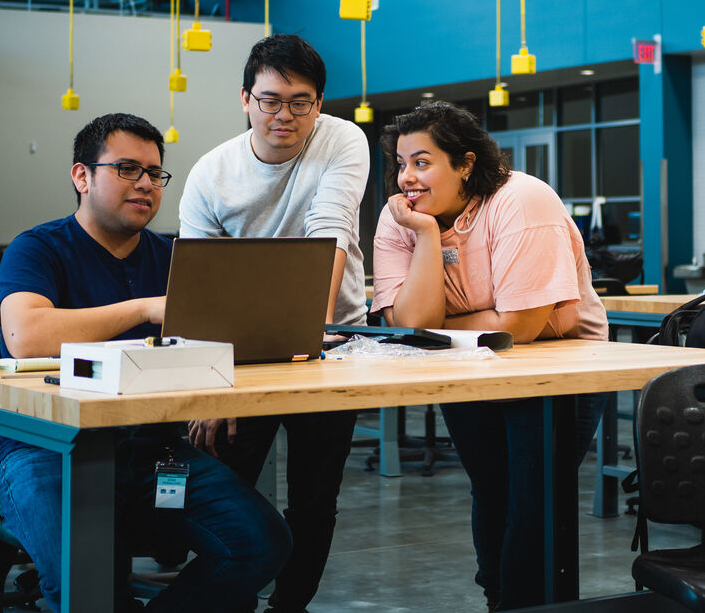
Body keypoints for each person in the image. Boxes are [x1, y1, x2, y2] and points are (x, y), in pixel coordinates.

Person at [0, 113, 291, 613]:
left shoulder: (175, 255)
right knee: (87, 582)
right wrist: (145, 308)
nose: (146, 184)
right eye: (128, 169)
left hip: (153, 450)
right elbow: (27, 337)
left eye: (155, 173)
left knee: (261, 544)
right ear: (81, 176)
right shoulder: (39, 248)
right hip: (50, 449)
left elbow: (223, 336)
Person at [372, 101, 608, 612]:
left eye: (422, 161)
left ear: (465, 163)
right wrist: (428, 235)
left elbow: (522, 326)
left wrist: (441, 329)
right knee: (491, 489)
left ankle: (530, 601)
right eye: (400, 162)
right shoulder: (404, 219)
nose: (406, 177)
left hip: (560, 366)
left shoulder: (521, 199)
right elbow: (412, 325)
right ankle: (499, 599)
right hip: (472, 364)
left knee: (533, 499)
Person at [179, 34, 369, 613]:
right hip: (237, 354)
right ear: (245, 99)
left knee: (316, 497)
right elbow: (200, 290)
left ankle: (292, 606)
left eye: (300, 101)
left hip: (330, 342)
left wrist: (300, 336)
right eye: (269, 100)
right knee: (225, 487)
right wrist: (213, 381)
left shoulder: (342, 139)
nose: (283, 115)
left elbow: (331, 234)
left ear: (318, 103)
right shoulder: (211, 173)